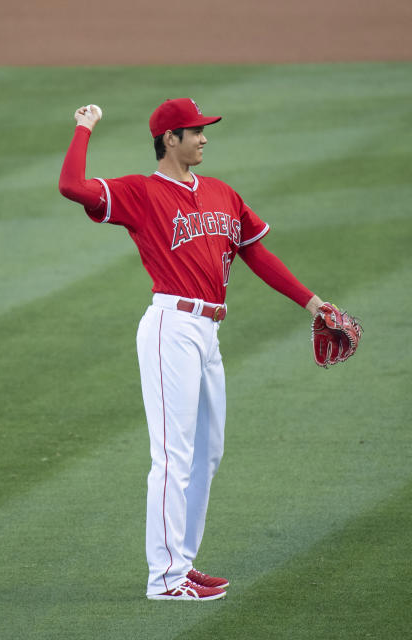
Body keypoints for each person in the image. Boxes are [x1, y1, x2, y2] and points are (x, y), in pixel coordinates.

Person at [58, 98, 327, 601]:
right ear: (169, 140)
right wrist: (85, 127)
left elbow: (257, 253)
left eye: (204, 130)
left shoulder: (223, 194)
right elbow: (72, 186)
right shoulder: (141, 193)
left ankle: (182, 562)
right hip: (170, 329)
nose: (204, 138)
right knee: (173, 455)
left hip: (208, 335)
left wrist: (313, 304)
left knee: (207, 454)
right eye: (195, 131)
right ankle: (164, 580)